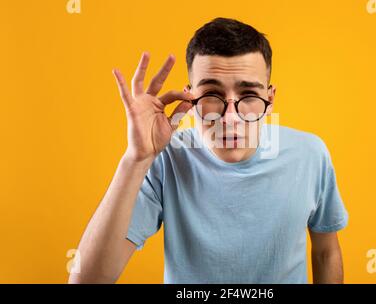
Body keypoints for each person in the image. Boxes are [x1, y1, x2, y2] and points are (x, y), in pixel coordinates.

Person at [68, 17, 349, 284]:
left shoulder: (310, 154)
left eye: (249, 95)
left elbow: (326, 251)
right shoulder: (167, 159)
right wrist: (136, 159)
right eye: (212, 95)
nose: (228, 118)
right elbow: (86, 279)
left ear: (270, 98)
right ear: (189, 98)